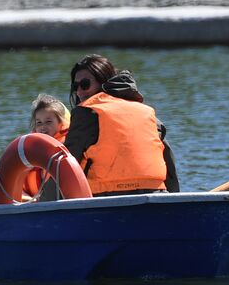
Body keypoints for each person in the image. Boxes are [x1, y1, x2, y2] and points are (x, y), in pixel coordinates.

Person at [52, 54, 180, 197]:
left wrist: (42, 203)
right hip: (156, 195)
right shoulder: (148, 113)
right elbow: (170, 169)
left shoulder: (86, 113)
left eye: (85, 84)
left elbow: (65, 164)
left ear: (103, 81)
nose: (79, 91)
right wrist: (173, 201)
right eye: (75, 86)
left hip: (107, 198)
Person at [23, 94, 71, 198]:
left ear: (61, 123)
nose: (43, 127)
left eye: (48, 122)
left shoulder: (68, 146)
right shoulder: (29, 147)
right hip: (30, 201)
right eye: (39, 122)